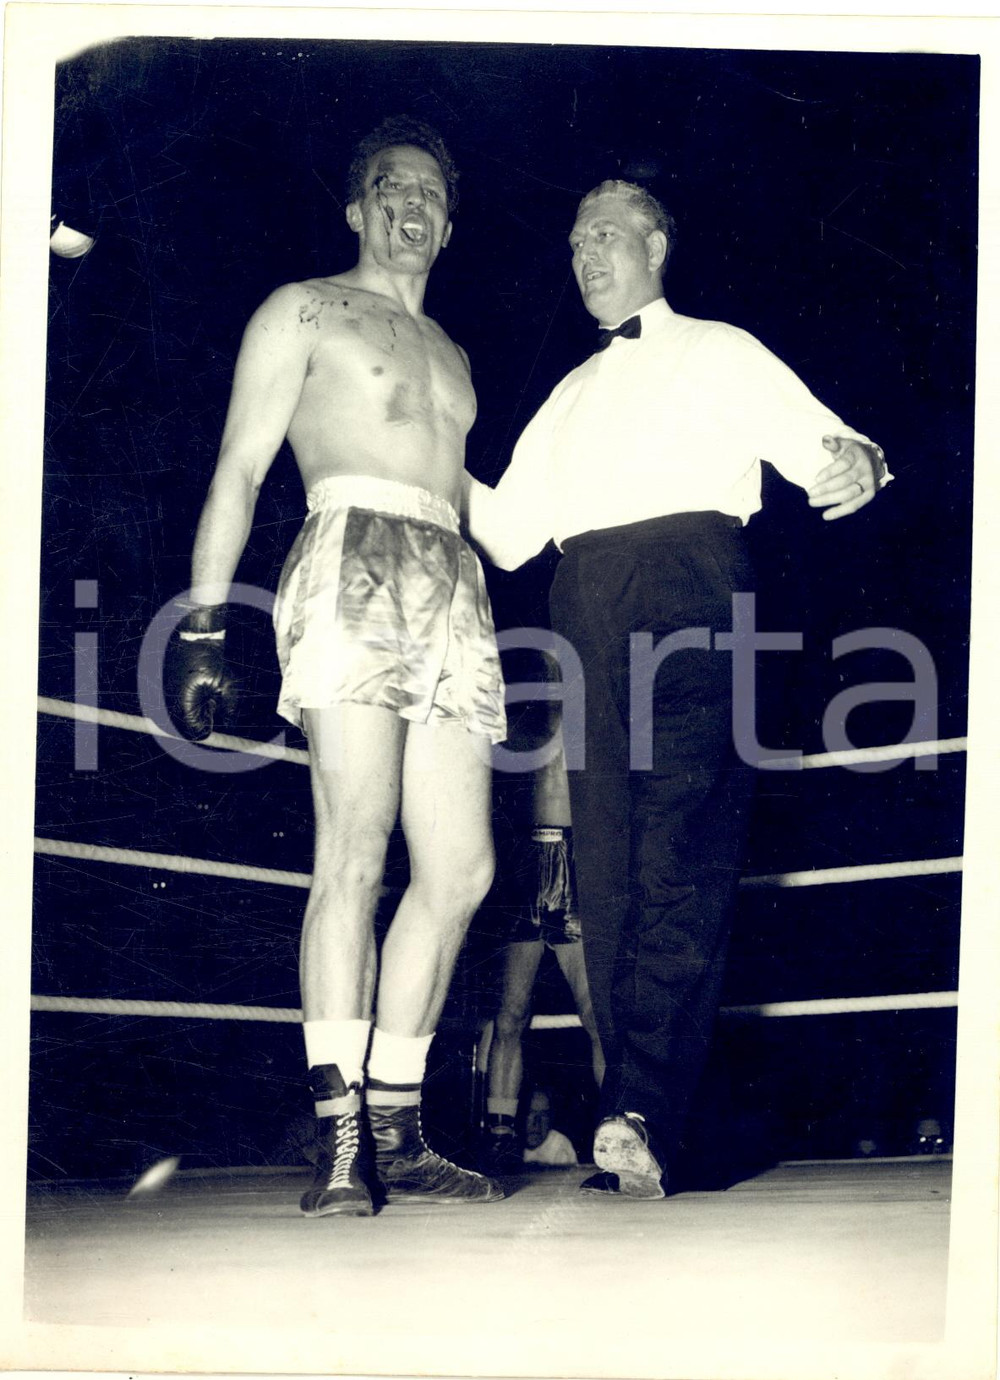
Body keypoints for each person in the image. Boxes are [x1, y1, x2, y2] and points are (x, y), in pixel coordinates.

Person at [464, 178, 889, 1200]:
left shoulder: (719, 349)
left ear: (655, 246)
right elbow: (508, 534)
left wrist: (859, 464)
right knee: (606, 862)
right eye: (574, 242)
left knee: (683, 843)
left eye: (604, 235)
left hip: (694, 580)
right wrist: (411, 452)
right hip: (583, 596)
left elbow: (831, 449)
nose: (585, 255)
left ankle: (642, 1105)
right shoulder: (567, 392)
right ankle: (636, 1112)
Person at [165, 117, 507, 1217]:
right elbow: (239, 466)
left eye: (433, 193)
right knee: (354, 846)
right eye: (393, 186)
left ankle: (398, 1128)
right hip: (350, 551)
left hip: (452, 576)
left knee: (460, 870)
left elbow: (477, 503)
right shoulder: (303, 309)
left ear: (448, 225)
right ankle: (340, 1134)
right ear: (359, 208)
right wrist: (203, 622)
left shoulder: (452, 353)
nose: (415, 204)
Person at [478, 701, 604, 1174]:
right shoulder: (512, 696)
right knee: (510, 1013)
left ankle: (615, 1126)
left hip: (576, 854)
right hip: (521, 856)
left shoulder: (594, 696)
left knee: (596, 1013)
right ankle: (499, 1136)